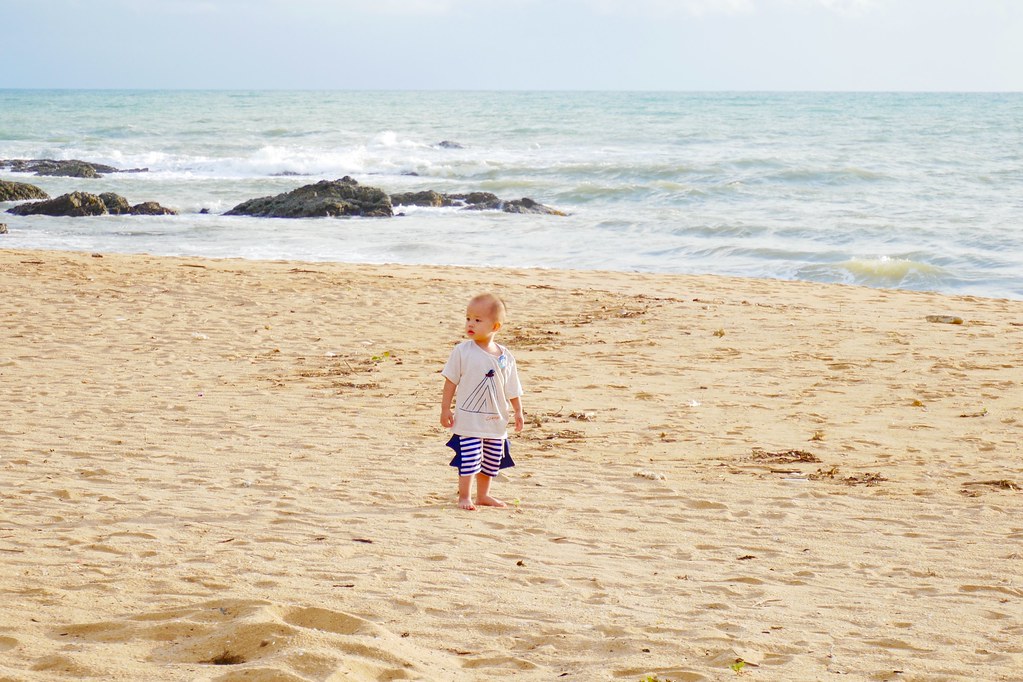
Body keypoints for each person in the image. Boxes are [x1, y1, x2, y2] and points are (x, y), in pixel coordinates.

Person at [440, 293, 524, 510]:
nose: (470, 324)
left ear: (495, 326)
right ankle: (464, 496)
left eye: (478, 320)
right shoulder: (462, 351)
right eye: (468, 318)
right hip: (469, 420)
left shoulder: (505, 356)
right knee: (469, 458)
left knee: (491, 460)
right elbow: (450, 382)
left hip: (496, 420)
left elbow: (512, 387)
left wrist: (518, 411)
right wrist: (445, 409)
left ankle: (483, 495)